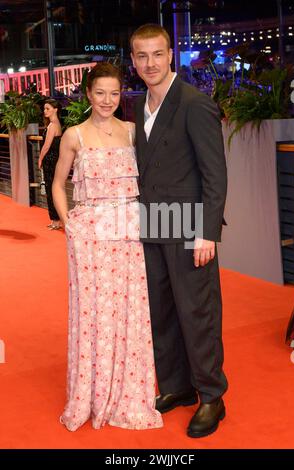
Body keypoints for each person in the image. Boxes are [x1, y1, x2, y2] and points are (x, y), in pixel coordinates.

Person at [52, 62, 162, 432]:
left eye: (114, 93)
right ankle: (93, 393)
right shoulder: (74, 135)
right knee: (94, 315)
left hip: (129, 234)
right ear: (88, 94)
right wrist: (71, 226)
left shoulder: (133, 133)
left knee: (131, 313)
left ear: (121, 95)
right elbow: (57, 185)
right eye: (100, 93)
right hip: (91, 238)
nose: (107, 100)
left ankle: (130, 392)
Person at [130, 24, 228, 438]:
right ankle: (177, 386)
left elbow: (215, 174)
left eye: (157, 54)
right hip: (152, 225)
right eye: (141, 56)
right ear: (133, 61)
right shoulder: (138, 106)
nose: (150, 63)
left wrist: (207, 232)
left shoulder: (194, 103)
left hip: (189, 228)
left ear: (171, 54)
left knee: (197, 314)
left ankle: (211, 396)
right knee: (163, 313)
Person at [38, 99, 62, 230]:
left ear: (55, 109)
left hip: (50, 161)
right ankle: (55, 220)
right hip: (54, 160)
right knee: (52, 190)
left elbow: (47, 146)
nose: (45, 111)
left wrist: (40, 158)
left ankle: (56, 221)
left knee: (51, 190)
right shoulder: (55, 124)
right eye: (44, 109)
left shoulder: (53, 125)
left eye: (48, 108)